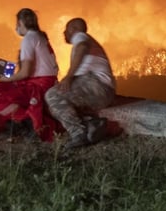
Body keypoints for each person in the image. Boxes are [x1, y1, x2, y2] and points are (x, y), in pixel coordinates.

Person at [0, 8, 60, 141]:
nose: (16, 28)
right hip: (46, 82)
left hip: (39, 85)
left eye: (17, 24)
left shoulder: (29, 38)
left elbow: (25, 72)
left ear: (20, 22)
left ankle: (26, 121)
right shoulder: (40, 37)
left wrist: (7, 79)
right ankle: (21, 121)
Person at [45, 17, 116, 149]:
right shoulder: (88, 40)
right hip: (102, 92)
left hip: (97, 85)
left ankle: (78, 134)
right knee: (57, 106)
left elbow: (82, 46)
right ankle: (92, 125)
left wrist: (69, 76)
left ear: (74, 29)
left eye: (66, 29)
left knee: (52, 95)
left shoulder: (80, 36)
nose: (64, 33)